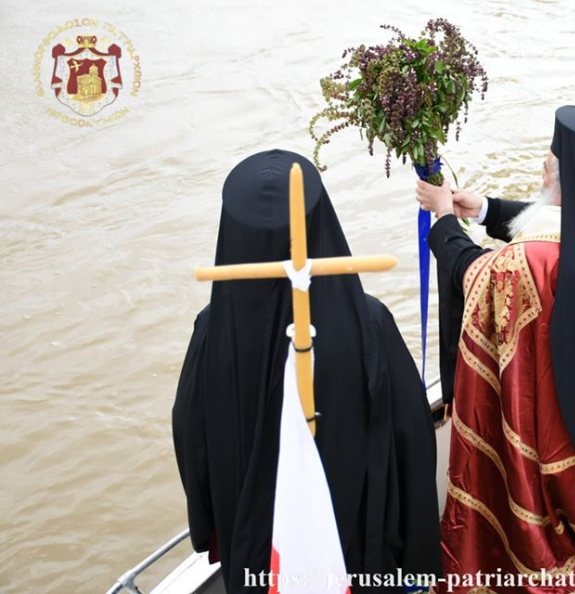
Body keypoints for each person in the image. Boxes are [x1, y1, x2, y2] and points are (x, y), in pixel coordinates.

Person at [417, 106, 575, 592]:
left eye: (547, 162)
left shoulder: (527, 262)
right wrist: (485, 209)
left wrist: (445, 221)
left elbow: (475, 279)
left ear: (554, 173)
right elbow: (553, 224)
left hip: (546, 422)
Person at [172, 150, 441, 593]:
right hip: (355, 549)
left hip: (258, 555)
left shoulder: (210, 333)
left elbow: (190, 436)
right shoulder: (367, 325)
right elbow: (410, 437)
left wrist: (210, 526)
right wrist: (417, 554)